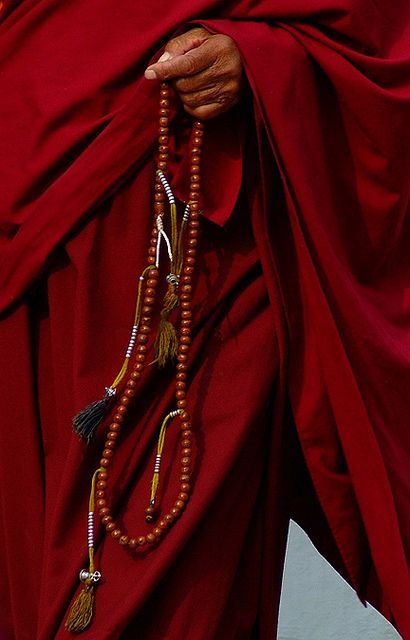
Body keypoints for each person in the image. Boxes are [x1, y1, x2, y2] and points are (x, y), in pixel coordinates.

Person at [0, 1, 409, 639]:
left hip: (204, 268)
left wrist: (266, 58)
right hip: (25, 256)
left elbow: (383, 35)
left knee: (163, 602)